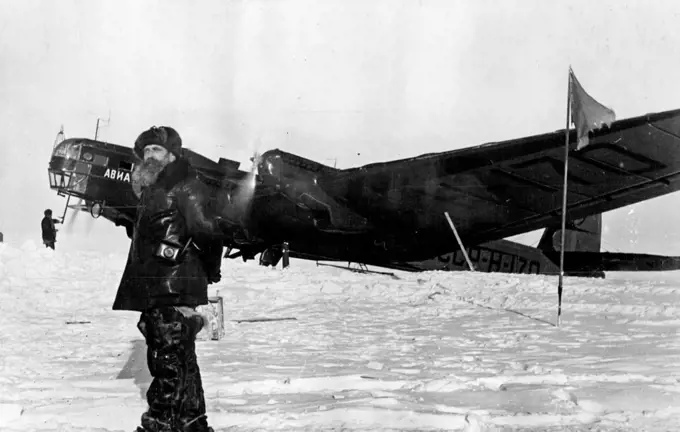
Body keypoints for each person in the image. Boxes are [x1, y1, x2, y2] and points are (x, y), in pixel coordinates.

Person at [112, 126, 224, 432]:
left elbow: (209, 231)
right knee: (181, 358)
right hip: (157, 287)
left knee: (166, 361)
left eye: (156, 150)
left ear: (172, 155)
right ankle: (192, 424)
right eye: (146, 151)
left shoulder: (186, 187)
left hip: (173, 286)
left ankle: (159, 425)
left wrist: (208, 272)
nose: (149, 155)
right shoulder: (153, 192)